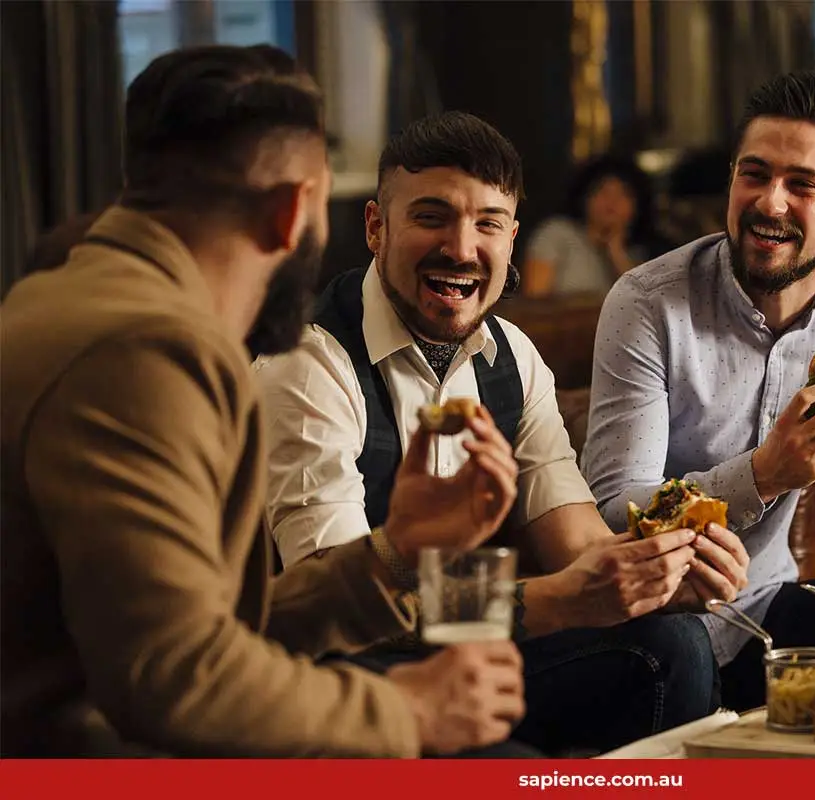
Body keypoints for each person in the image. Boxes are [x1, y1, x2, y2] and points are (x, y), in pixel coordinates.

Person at [0, 45, 530, 758]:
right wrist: (406, 711)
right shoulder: (144, 352)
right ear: (295, 210)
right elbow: (177, 680)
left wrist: (395, 554)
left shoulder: (74, 295)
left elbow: (202, 630)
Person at [254, 111, 750, 755]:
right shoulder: (309, 363)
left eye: (487, 224)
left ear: (512, 238)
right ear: (376, 227)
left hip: (469, 657)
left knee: (675, 642)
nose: (461, 249)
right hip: (349, 687)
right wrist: (559, 600)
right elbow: (339, 606)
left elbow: (579, 548)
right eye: (431, 217)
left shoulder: (513, 356)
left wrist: (653, 577)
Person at [581, 71, 815, 712]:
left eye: (802, 185)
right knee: (679, 648)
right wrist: (760, 476)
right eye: (754, 175)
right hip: (661, 618)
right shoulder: (648, 303)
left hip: (769, 605)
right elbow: (612, 515)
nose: (771, 203)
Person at [521, 154, 666, 297]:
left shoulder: (638, 254)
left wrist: (616, 252)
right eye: (603, 191)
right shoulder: (556, 234)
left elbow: (646, 304)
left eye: (623, 194)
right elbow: (534, 301)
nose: (612, 202)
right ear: (585, 198)